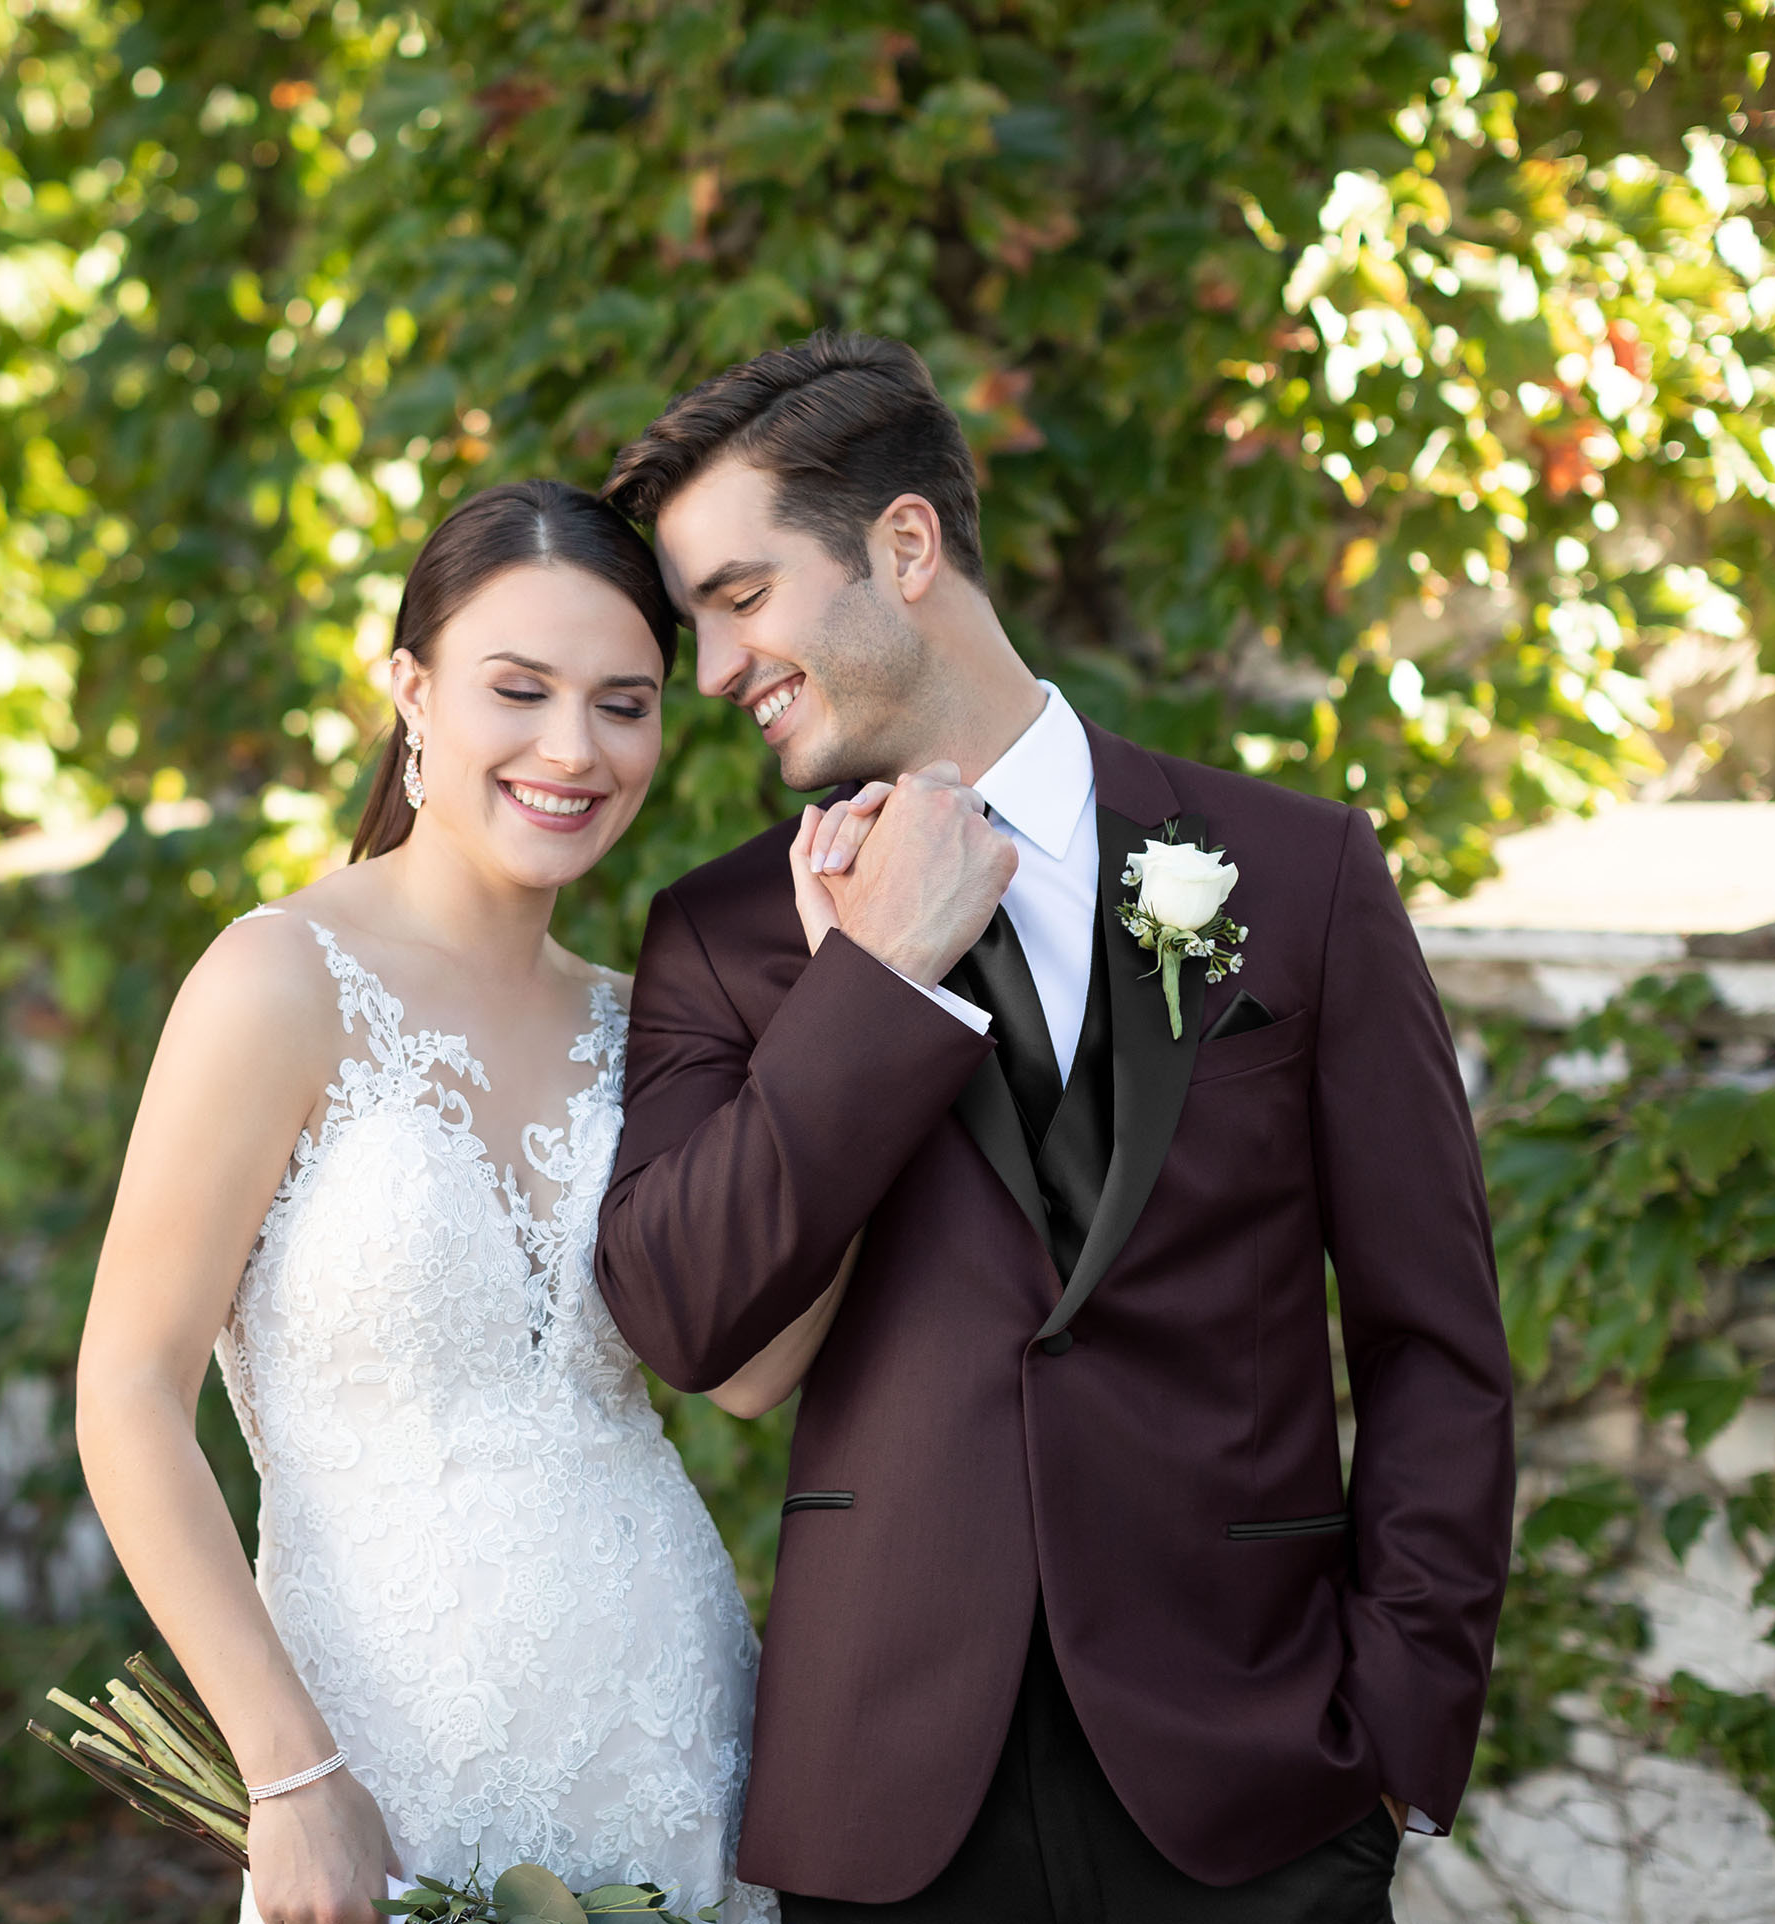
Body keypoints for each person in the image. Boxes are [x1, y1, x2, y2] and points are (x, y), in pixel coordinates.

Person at [592, 333, 1515, 1924]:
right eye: (695, 623)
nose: (718, 662)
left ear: (902, 545)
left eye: (738, 597)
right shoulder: (725, 936)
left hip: (1257, 1785)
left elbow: (1435, 1343)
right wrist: (868, 981)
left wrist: (1393, 1726)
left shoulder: (1295, 877)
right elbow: (680, 1315)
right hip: (885, 1800)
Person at [76, 481, 809, 1924]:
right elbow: (126, 1391)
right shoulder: (276, 981)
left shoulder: (640, 1025)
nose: (571, 749)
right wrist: (291, 1778)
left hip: (680, 1740)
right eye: (517, 690)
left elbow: (744, 1372)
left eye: (624, 703)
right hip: (383, 1773)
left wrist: (859, 1027)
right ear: (410, 689)